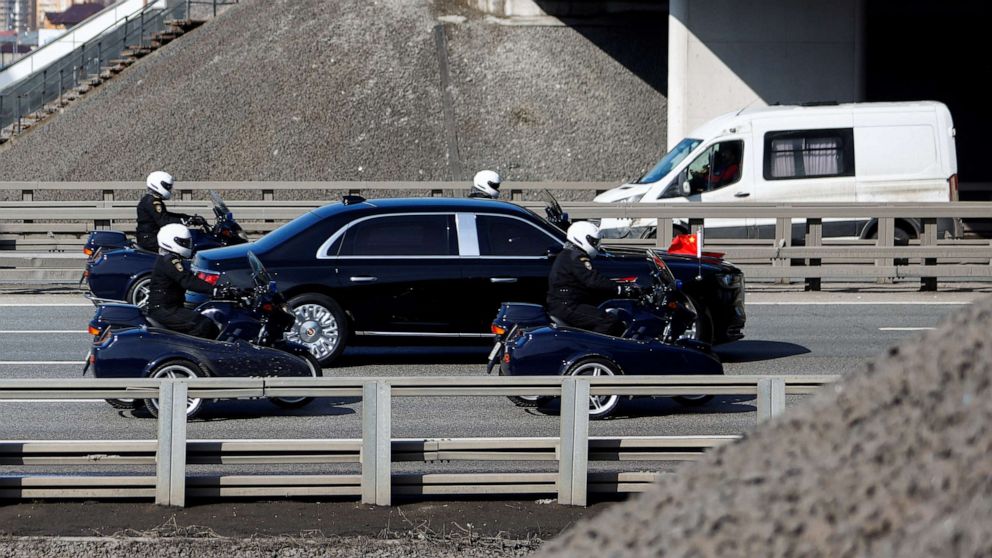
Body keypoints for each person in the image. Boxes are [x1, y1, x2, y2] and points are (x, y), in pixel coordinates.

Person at [547, 221, 642, 336]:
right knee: (608, 321)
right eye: (593, 242)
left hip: (564, 304)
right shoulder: (576, 257)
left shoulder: (569, 254)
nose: (596, 245)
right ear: (581, 238)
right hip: (568, 306)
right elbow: (593, 280)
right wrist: (620, 289)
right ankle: (593, 349)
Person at [145, 223, 225, 339]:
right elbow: (187, 280)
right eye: (183, 242)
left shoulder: (169, 258)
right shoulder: (170, 260)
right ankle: (194, 353)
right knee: (202, 324)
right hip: (164, 310)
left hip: (168, 307)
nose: (187, 245)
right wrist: (214, 290)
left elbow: (189, 277)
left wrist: (217, 285)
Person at [136, 171, 205, 251]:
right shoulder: (152, 202)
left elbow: (167, 216)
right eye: (167, 186)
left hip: (150, 236)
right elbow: (164, 221)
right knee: (179, 247)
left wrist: (187, 217)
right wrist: (186, 220)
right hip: (149, 240)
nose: (169, 189)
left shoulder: (152, 199)